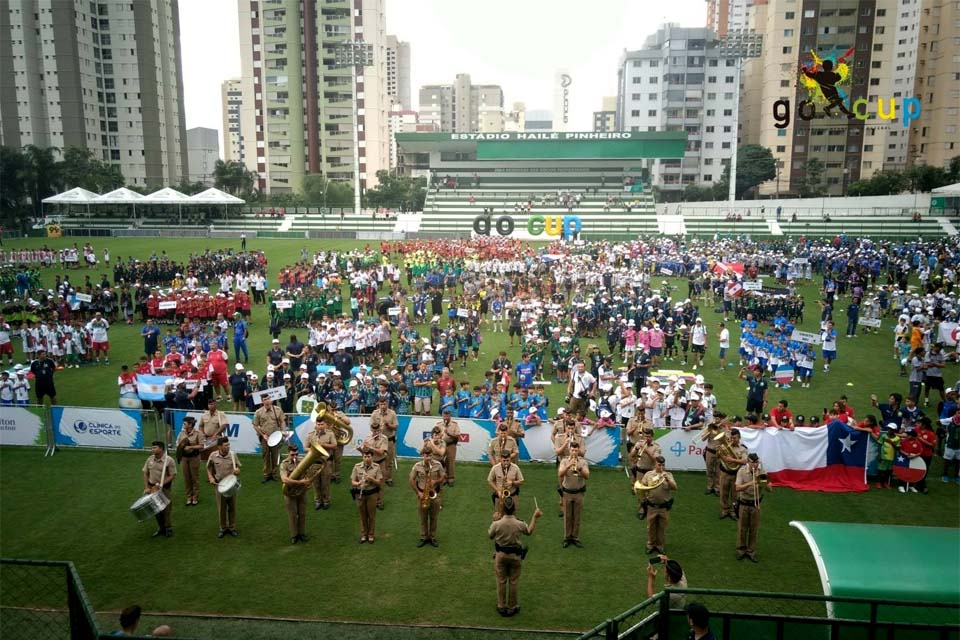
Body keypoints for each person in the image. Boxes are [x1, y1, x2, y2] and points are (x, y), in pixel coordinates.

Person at [487, 496, 543, 617]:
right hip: (515, 557)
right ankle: (512, 607)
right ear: (514, 508)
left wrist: (493, 520)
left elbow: (490, 535)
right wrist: (535, 516)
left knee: (501, 581)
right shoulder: (519, 524)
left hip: (500, 556)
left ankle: (501, 606)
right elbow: (529, 531)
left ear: (503, 508)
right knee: (513, 582)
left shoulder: (497, 524)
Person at [735, 452, 772, 562]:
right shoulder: (742, 471)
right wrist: (751, 483)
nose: (755, 465)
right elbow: (737, 488)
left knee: (753, 529)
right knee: (742, 528)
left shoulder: (762, 472)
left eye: (757, 462)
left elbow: (770, 490)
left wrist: (763, 484)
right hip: (744, 504)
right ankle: (741, 550)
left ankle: (751, 551)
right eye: (753, 462)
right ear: (748, 462)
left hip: (756, 505)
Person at [409, 445, 446, 547]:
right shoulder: (417, 466)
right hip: (422, 494)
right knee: (423, 517)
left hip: (434, 494)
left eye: (430, 455)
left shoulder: (438, 465)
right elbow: (411, 480)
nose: (428, 458)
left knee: (434, 517)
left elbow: (443, 477)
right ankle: (424, 537)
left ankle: (432, 537)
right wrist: (418, 493)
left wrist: (436, 481)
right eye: (426, 456)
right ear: (423, 455)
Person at [641, 455, 677, 554]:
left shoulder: (668, 475)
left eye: (663, 465)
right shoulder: (648, 475)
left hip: (663, 508)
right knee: (651, 527)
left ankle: (660, 545)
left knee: (662, 527)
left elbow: (675, 487)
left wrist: (668, 480)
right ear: (655, 464)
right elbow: (642, 486)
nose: (661, 467)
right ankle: (651, 544)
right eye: (659, 464)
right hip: (651, 506)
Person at [206, 436, 240, 538]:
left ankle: (232, 527)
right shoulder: (213, 455)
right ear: (220, 446)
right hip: (219, 485)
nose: (228, 446)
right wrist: (211, 478)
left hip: (231, 485)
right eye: (226, 445)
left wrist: (238, 470)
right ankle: (223, 527)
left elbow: (238, 467)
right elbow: (208, 468)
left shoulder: (233, 455)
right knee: (221, 508)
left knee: (232, 507)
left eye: (228, 444)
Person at [280, 444, 313, 544]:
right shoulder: (284, 464)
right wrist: (300, 482)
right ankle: (294, 535)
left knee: (302, 513)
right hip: (290, 492)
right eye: (292, 454)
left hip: (302, 492)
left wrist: (309, 481)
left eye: (296, 454)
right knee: (293, 515)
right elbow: (284, 479)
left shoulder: (302, 461)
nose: (295, 457)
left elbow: (309, 473)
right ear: (288, 453)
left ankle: (301, 533)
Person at [558, 441, 589, 548]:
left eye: (576, 450)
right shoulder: (564, 461)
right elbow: (560, 473)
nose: (574, 452)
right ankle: (567, 537)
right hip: (567, 493)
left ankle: (575, 537)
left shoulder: (583, 462)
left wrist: (579, 468)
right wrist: (568, 466)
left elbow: (587, 476)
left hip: (578, 493)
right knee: (567, 516)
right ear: (569, 450)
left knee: (577, 516)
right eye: (572, 450)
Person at [142, 440, 176, 538]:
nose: (152, 449)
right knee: (155, 509)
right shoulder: (150, 459)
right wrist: (146, 487)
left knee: (166, 508)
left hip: (164, 488)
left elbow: (172, 476)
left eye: (155, 447)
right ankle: (161, 528)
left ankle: (168, 528)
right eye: (152, 448)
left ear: (161, 449)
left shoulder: (169, 460)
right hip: (152, 488)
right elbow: (145, 473)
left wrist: (161, 484)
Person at [351, 450, 384, 543]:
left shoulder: (377, 467)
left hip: (372, 494)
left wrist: (371, 479)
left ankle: (371, 535)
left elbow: (379, 483)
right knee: (362, 516)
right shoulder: (357, 467)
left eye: (369, 456)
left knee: (371, 516)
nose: (367, 458)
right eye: (365, 456)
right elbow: (352, 481)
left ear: (372, 457)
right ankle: (364, 534)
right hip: (360, 494)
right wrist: (358, 483)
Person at [306, 417, 338, 510]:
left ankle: (326, 500)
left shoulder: (330, 434)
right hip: (314, 462)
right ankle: (317, 501)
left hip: (326, 462)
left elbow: (335, 446)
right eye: (318, 424)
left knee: (325, 483)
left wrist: (323, 445)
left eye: (322, 424)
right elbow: (305, 448)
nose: (320, 426)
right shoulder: (310, 435)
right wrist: (315, 448)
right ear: (315, 424)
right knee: (315, 483)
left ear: (325, 424)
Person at [253, 395, 286, 483]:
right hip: (265, 437)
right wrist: (262, 435)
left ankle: (274, 473)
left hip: (276, 436)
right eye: (264, 400)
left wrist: (283, 431)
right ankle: (267, 474)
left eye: (268, 399)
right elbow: (255, 425)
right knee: (266, 455)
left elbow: (282, 421)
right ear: (262, 402)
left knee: (275, 455)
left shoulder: (278, 410)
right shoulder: (258, 412)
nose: (267, 401)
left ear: (271, 400)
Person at [718, 429, 748, 520]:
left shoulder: (743, 448)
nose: (732, 440)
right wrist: (720, 452)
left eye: (734, 438)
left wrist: (733, 460)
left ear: (739, 438)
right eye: (731, 438)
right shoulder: (725, 446)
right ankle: (725, 509)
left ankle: (733, 511)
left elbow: (744, 461)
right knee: (723, 492)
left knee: (735, 494)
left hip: (736, 474)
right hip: (725, 473)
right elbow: (718, 456)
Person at [369, 398, 399, 486]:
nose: (383, 406)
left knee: (389, 461)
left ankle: (388, 478)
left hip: (389, 440)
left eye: (385, 404)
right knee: (377, 459)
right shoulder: (375, 414)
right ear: (378, 404)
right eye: (381, 404)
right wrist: (377, 429)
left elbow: (396, 427)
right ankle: (376, 477)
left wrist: (388, 424)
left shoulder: (392, 413)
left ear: (387, 404)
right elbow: (371, 427)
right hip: (378, 440)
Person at [175, 416, 203, 506]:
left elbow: (202, 446)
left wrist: (191, 447)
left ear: (190, 425)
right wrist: (181, 446)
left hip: (194, 458)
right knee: (187, 478)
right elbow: (177, 443)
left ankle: (195, 496)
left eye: (185, 423)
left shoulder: (198, 433)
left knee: (194, 478)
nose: (183, 425)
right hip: (184, 458)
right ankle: (189, 496)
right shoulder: (181, 433)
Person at [487, 455, 524, 520]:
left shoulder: (515, 468)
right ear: (500, 459)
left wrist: (512, 482)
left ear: (510, 459)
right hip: (500, 497)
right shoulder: (495, 468)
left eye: (508, 461)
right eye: (504, 461)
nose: (506, 463)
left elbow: (521, 481)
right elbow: (490, 480)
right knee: (498, 517)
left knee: (513, 517)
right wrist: (497, 490)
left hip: (512, 496)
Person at [437, 409, 461, 485]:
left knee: (450, 461)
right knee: (439, 460)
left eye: (447, 415)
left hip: (451, 444)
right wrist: (439, 436)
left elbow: (457, 435)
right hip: (441, 444)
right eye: (444, 415)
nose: (446, 417)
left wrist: (449, 433)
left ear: (450, 416)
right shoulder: (439, 424)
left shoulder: (455, 424)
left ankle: (450, 478)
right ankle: (442, 477)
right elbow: (434, 434)